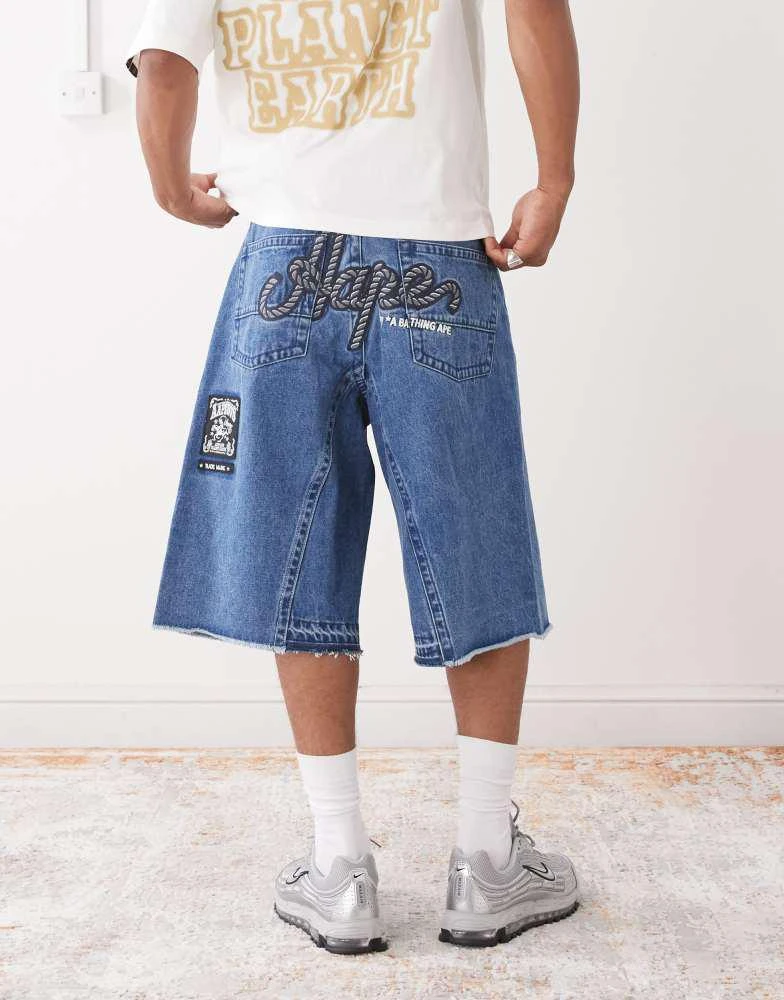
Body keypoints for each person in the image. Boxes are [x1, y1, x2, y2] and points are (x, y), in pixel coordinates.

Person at [127, 0, 580, 955]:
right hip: (439, 256)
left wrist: (171, 188)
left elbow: (165, 61)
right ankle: (484, 858)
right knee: (474, 539)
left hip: (284, 260)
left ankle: (339, 868)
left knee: (296, 548)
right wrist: (553, 179)